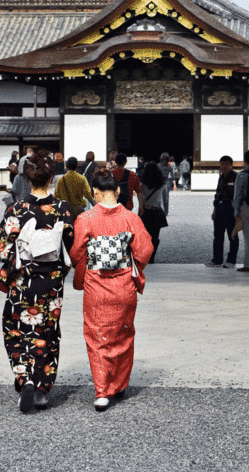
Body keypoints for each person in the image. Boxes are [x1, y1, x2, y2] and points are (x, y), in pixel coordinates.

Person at [0, 150, 74, 412]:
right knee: (46, 333)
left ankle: (24, 377)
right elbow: (71, 247)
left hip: (22, 282)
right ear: (52, 177)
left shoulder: (16, 209)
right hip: (50, 283)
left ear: (27, 179)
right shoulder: (62, 209)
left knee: (17, 328)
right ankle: (41, 387)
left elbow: (1, 247)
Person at [70, 169, 153, 411]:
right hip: (124, 284)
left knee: (97, 337)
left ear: (95, 193)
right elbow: (144, 251)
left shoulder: (85, 219)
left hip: (96, 286)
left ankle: (102, 392)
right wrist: (127, 262)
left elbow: (75, 253)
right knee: (123, 334)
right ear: (117, 191)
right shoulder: (131, 219)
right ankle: (119, 384)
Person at [205, 155, 239, 268]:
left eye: (226, 164)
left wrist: (237, 212)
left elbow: (238, 196)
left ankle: (231, 260)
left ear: (231, 165)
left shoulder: (236, 177)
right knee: (218, 236)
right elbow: (217, 195)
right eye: (222, 164)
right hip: (219, 209)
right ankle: (217, 260)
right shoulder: (221, 178)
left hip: (231, 209)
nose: (224, 166)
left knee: (232, 235)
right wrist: (214, 210)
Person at [139, 161, 168, 263]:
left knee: (145, 236)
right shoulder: (161, 184)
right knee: (155, 237)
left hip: (146, 211)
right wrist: (166, 211)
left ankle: (145, 255)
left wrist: (140, 209)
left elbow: (141, 198)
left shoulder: (142, 184)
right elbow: (165, 199)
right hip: (157, 212)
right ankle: (152, 257)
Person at [55, 156, 93, 221]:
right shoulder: (82, 178)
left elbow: (57, 196)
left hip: (65, 210)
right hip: (79, 210)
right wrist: (94, 204)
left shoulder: (61, 180)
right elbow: (88, 194)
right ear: (77, 166)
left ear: (66, 166)